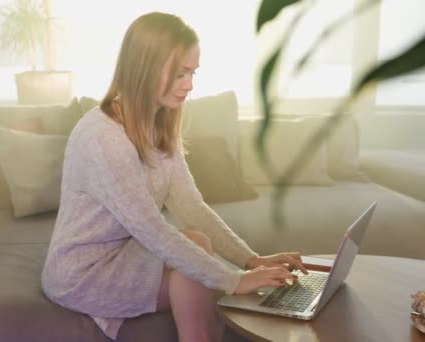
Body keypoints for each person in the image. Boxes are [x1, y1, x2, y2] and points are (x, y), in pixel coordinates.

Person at [41, 11, 307, 342]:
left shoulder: (158, 125)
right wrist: (234, 280)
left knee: (198, 243)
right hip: (83, 272)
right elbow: (152, 229)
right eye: (181, 73)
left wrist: (250, 260)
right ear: (145, 67)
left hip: (125, 251)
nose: (190, 84)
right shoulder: (104, 139)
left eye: (193, 72)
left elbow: (191, 207)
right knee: (194, 270)